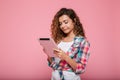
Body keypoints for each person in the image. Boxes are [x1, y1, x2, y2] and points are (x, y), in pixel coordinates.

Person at [44, 8, 90, 80]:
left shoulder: (82, 42)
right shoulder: (58, 41)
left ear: (74, 21)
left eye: (65, 22)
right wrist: (48, 54)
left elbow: (81, 69)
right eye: (60, 23)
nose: (62, 26)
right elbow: (54, 66)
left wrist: (65, 57)